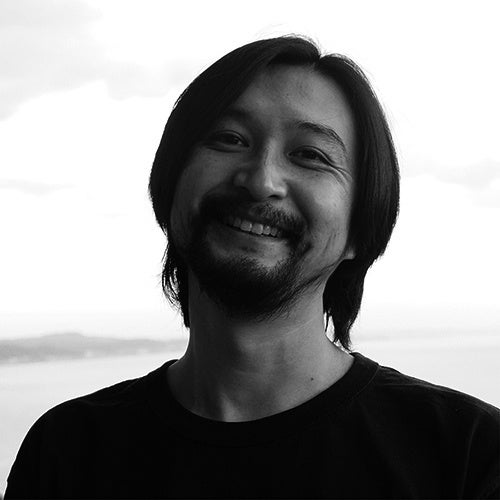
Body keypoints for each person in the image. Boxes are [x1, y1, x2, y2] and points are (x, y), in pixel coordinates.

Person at [5, 36, 499, 499]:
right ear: (170, 184)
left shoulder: (468, 455)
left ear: (360, 229)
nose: (261, 180)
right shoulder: (69, 450)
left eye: (310, 155)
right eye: (229, 138)